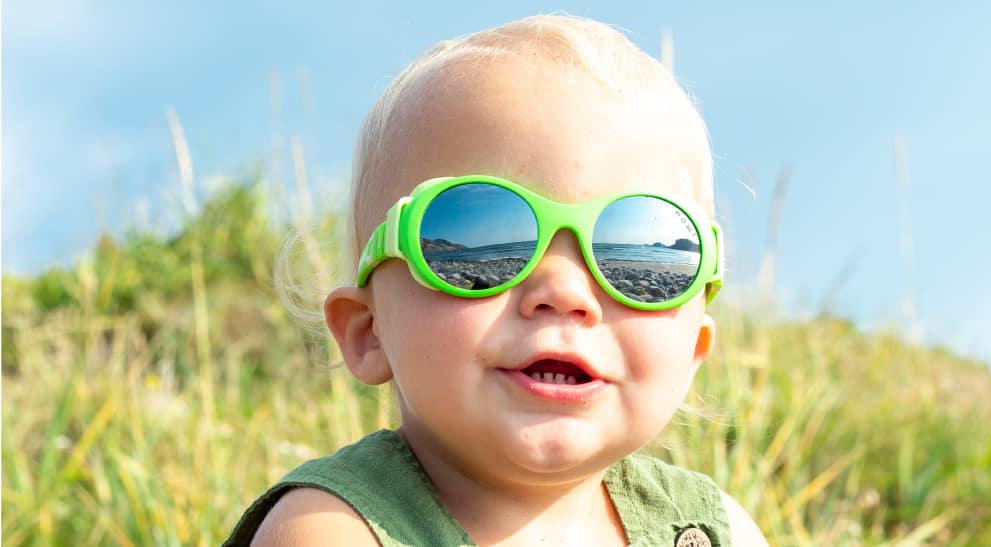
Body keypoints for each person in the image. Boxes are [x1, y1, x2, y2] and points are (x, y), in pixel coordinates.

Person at [226, 14, 768, 547]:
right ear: (369, 332)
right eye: (484, 244)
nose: (564, 293)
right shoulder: (331, 529)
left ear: (695, 350)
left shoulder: (713, 528)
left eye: (632, 261)